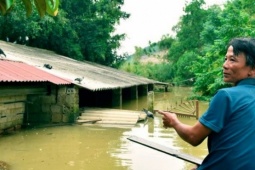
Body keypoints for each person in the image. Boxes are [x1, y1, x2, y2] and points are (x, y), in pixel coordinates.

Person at [157, 37, 255, 169]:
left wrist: (174, 122)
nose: (225, 65)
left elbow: (193, 137)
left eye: (232, 60)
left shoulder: (226, 96)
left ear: (252, 69)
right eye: (225, 59)